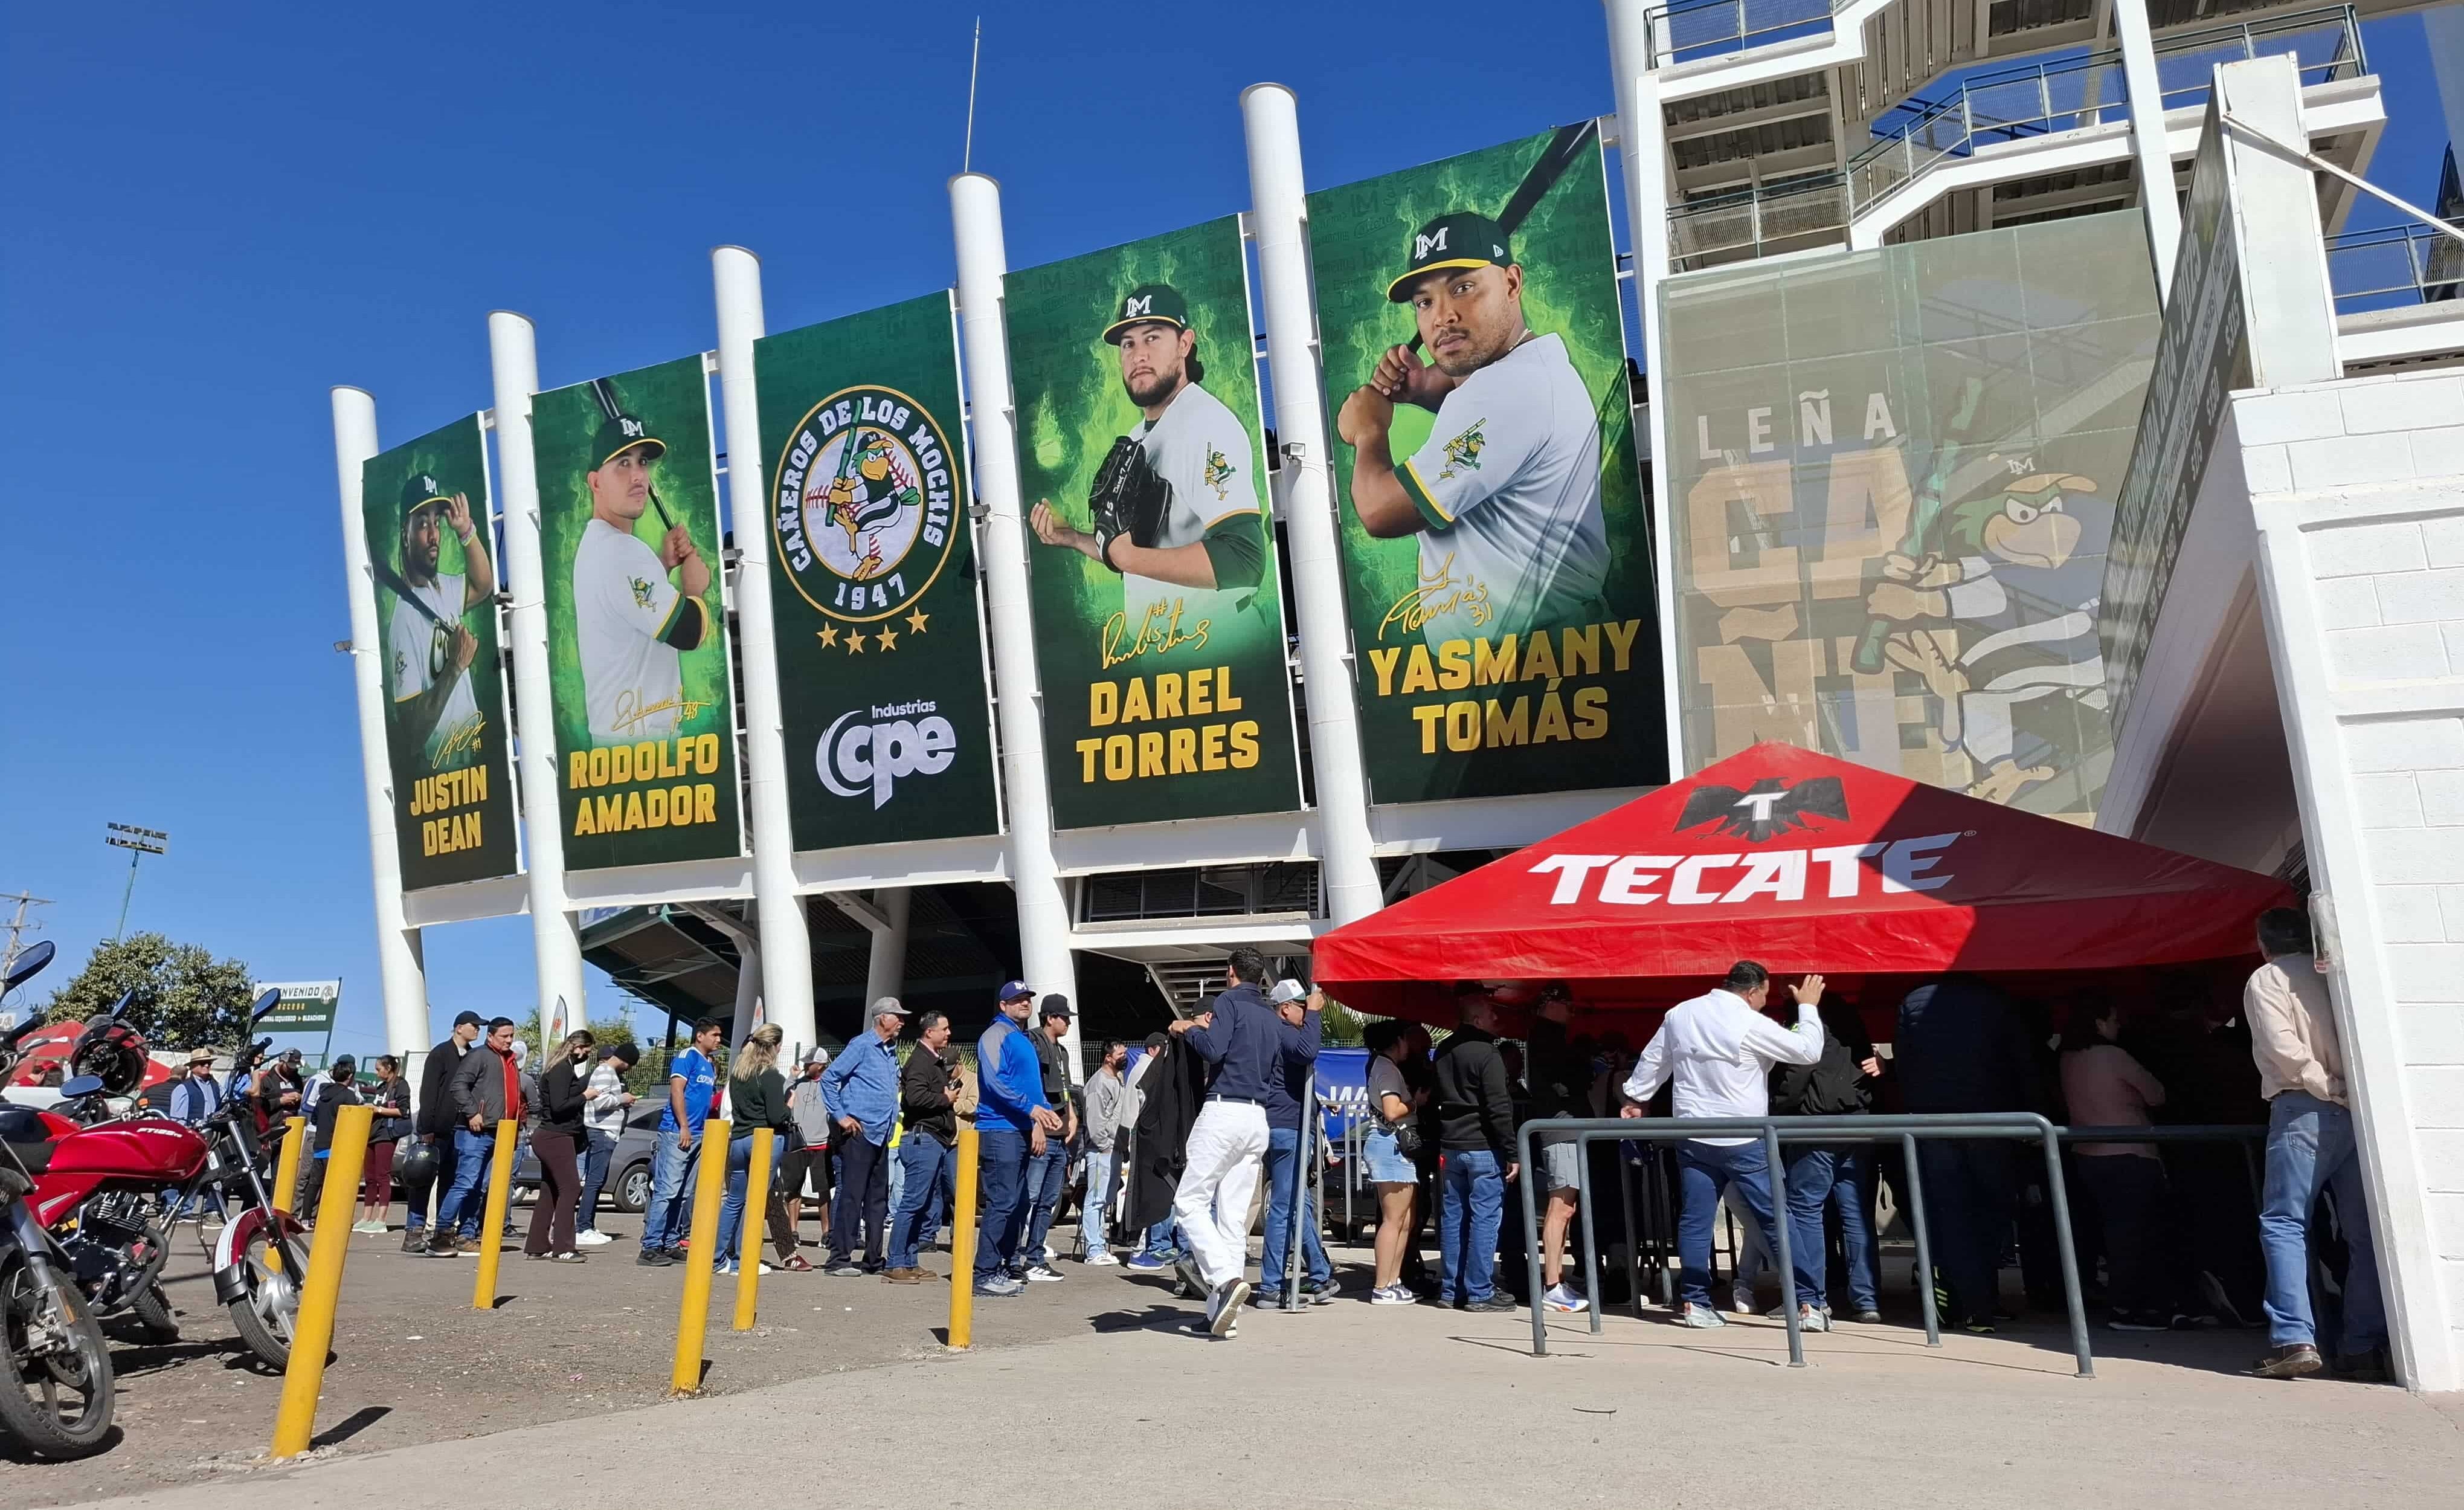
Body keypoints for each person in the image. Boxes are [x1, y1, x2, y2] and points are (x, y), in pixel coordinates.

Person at [1333, 213, 1609, 647]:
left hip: (1532, 675)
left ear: (1512, 284)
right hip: (1535, 665)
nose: (1442, 317)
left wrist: (1368, 430)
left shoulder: (1510, 389)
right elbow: (1486, 412)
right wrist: (1424, 386)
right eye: (1424, 302)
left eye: (1463, 288)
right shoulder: (1531, 368)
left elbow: (1380, 511)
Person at [1027, 282, 1270, 639]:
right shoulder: (1140, 432)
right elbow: (1148, 549)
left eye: (1152, 338)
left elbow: (1244, 560)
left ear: (1185, 344)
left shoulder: (1205, 423)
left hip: (1222, 646)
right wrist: (1078, 539)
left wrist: (1127, 558)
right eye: (1129, 344)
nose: (1138, 354)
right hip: (1166, 653)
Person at [1622, 962, 1829, 1330]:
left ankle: (1695, 1303)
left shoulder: (1681, 1013)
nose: (1764, 1003)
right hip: (1745, 1136)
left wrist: (1637, 1097)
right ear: (1752, 992)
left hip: (1694, 1134)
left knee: (1696, 1221)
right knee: (1777, 1219)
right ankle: (1808, 1303)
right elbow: (1808, 1050)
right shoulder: (1750, 1021)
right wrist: (1808, 1007)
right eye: (1764, 995)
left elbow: (1655, 1060)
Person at [2244, 907, 2386, 1379]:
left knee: (2284, 1223)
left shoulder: (2266, 979)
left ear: (2263, 945)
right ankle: (2362, 1342)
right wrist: (2348, 1091)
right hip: (2355, 1112)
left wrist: (2323, 1084)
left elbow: (2281, 1046)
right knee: (2362, 1233)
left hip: (2302, 1106)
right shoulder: (2334, 973)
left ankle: (2294, 1338)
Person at [1174, 948, 1319, 1338]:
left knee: (1189, 1202)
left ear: (1230, 973)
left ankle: (1223, 1280)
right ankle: (1223, 1317)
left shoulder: (1228, 1001)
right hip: (1258, 1118)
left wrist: (1192, 1030)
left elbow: (1214, 1049)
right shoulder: (1273, 1018)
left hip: (1224, 1110)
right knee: (1233, 1219)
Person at [1893, 973, 2044, 1332]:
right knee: (1991, 1212)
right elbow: (2020, 1062)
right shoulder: (1995, 999)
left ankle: (1968, 1304)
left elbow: (1905, 1064)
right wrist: (2034, 1115)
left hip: (1934, 1125)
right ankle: (1984, 1301)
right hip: (1990, 1122)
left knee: (1951, 1216)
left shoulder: (1913, 999)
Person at [572, 399, 710, 744]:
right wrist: (695, 589)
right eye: (622, 463)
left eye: (642, 463)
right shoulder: (622, 551)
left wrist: (661, 568)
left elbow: (629, 611)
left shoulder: (597, 544)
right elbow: (687, 631)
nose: (638, 477)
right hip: (640, 748)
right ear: (595, 483)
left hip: (620, 746)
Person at [2057, 1002, 2175, 1331]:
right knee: (2136, 1236)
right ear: (2098, 1021)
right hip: (2130, 1154)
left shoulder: (2068, 1059)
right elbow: (2157, 1095)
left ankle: (2122, 1304)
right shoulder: (2115, 1056)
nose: (2119, 1025)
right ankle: (2130, 1309)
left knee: (2113, 1232)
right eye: (2114, 1018)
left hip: (2087, 1155)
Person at [1766, 999, 1884, 1325]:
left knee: (1806, 1210)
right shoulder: (1852, 1019)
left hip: (1814, 1126)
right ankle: (1867, 1299)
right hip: (1859, 1126)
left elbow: (1797, 1074)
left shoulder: (1804, 1020)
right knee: (1857, 1214)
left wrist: (1776, 1105)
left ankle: (1812, 1299)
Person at [388, 474, 496, 766]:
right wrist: (455, 666)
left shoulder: (443, 588)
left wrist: (466, 533)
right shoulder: (404, 619)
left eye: (437, 523)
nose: (434, 534)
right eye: (423, 524)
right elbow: (412, 732)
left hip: (471, 756)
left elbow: (484, 586)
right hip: (443, 771)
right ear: (405, 534)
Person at [1430, 986, 1518, 1313]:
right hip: (1483, 1146)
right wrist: (1512, 1151)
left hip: (1451, 1145)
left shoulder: (1443, 1050)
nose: (1497, 1018)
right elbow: (1498, 1106)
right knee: (1484, 1218)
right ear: (1478, 1018)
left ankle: (1452, 1289)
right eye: (1493, 1013)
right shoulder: (1487, 1053)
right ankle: (1480, 1291)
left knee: (1454, 1218)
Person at [973, 981, 1061, 1297]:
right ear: (1003, 1005)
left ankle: (1001, 1265)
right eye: (1016, 1000)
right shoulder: (995, 1035)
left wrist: (1041, 1115)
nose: (1024, 1003)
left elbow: (1031, 1087)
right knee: (1003, 1202)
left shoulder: (1022, 1038)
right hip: (1000, 1130)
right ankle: (983, 1273)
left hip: (1020, 1129)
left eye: (1027, 999)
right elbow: (995, 1081)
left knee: (1019, 1202)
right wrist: (1032, 1109)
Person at [1255, 981, 1335, 1311]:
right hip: (1288, 1128)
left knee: (1296, 1203)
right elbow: (1307, 1052)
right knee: (1285, 1207)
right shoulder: (1284, 1031)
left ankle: (1319, 1274)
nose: (1307, 1009)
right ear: (1286, 1008)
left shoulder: (1271, 1032)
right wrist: (1314, 1014)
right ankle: (1271, 1286)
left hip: (1280, 1125)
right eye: (1301, 1005)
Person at [822, 997, 908, 1276]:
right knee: (852, 1195)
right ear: (882, 1018)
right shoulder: (861, 1045)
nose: (902, 1022)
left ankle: (873, 1259)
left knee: (877, 1199)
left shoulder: (890, 1051)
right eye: (897, 1016)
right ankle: (839, 1259)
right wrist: (841, 1116)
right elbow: (829, 1078)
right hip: (859, 1132)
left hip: (882, 1133)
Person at [1523, 984, 1591, 1314]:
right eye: (1568, 1004)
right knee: (1561, 1206)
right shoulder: (1547, 1038)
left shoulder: (1546, 1037)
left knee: (1565, 1206)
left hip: (1563, 1128)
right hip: (1560, 1128)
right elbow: (1559, 1086)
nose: (1573, 1010)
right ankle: (1552, 1284)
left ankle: (1555, 1280)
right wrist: (1586, 1071)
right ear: (1549, 1004)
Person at [432, 1018, 523, 1256]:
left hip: (501, 1133)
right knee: (465, 1183)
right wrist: (473, 1112)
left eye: (511, 1035)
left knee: (479, 1188)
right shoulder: (480, 1056)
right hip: (475, 1133)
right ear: (491, 1036)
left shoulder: (510, 1061)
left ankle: (467, 1235)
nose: (509, 1040)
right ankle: (441, 1234)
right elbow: (458, 1086)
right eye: (504, 1036)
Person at [640, 1017, 722, 1267]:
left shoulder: (710, 1065)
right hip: (678, 1133)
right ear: (700, 1036)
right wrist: (684, 1126)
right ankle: (651, 1245)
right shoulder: (688, 1057)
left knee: (684, 1192)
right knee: (668, 1189)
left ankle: (671, 1241)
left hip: (700, 1133)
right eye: (715, 1035)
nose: (719, 1040)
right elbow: (677, 1091)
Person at [886, 1010, 961, 1283]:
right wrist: (945, 1098)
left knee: (924, 1202)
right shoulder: (920, 1061)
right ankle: (895, 1262)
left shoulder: (933, 1061)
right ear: (929, 1032)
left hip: (934, 1139)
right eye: (945, 1028)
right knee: (912, 1202)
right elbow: (915, 1098)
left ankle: (909, 1260)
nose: (949, 1033)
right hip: (922, 1139)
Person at [716, 1024, 790, 1276]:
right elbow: (776, 1115)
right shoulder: (771, 1076)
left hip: (738, 1140)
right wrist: (789, 1104)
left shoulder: (739, 1073)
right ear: (776, 1046)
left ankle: (718, 1258)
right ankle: (743, 1259)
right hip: (764, 1140)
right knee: (755, 1202)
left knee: (734, 1201)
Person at [409, 1011, 484, 1253]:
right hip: (437, 1130)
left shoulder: (473, 1056)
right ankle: (414, 1231)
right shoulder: (440, 1054)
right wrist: (426, 1128)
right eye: (474, 1026)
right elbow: (428, 1092)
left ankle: (442, 1232)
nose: (477, 1030)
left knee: (449, 1183)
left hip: (460, 1130)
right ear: (459, 1027)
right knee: (423, 1179)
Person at [1362, 1021, 1426, 1305]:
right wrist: (1416, 1103)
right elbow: (1392, 1109)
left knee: (1405, 1220)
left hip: (1392, 1146)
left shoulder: (1383, 1065)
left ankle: (1393, 1280)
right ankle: (1382, 1284)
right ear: (1397, 1041)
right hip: (1389, 1144)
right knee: (1393, 1220)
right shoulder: (1386, 1068)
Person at [1124, 1031, 1198, 1270]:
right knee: (1170, 1195)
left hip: (1160, 1142)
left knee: (1166, 1195)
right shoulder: (1154, 1069)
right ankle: (1164, 1247)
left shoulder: (1157, 1069)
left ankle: (1162, 1247)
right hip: (1163, 1142)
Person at [1019, 996, 1079, 1282]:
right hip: (1042, 1134)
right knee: (1028, 1197)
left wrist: (1072, 1114)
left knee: (1048, 1201)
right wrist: (1036, 1125)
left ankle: (1035, 1256)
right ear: (1050, 1018)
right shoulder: (1034, 1043)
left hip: (1060, 1136)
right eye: (1064, 1017)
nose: (1068, 1022)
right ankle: (1012, 1255)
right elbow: (1032, 1087)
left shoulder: (1063, 1052)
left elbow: (1064, 1087)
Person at [524, 1029, 594, 1263]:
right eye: (586, 1050)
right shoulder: (562, 1069)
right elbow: (559, 1106)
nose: (586, 1054)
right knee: (571, 1188)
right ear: (577, 1046)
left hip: (553, 1135)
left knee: (551, 1190)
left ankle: (537, 1245)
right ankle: (564, 1247)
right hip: (556, 1136)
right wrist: (586, 1096)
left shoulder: (560, 1068)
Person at [576, 1044, 637, 1247]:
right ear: (624, 1060)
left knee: (597, 1180)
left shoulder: (608, 1073)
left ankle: (588, 1225)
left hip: (605, 1132)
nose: (628, 1069)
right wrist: (623, 1099)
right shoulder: (605, 1072)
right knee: (595, 1180)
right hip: (602, 1132)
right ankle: (583, 1227)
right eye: (629, 1065)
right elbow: (598, 1101)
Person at [1079, 1039, 1129, 1265]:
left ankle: (1099, 1244)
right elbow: (1095, 1119)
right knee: (1096, 1198)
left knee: (1106, 1199)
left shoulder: (1118, 1080)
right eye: (1120, 1054)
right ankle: (1094, 1250)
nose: (1124, 1057)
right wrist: (1104, 1144)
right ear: (1108, 1057)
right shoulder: (1099, 1084)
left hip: (1115, 1148)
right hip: (1101, 1151)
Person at [355, 1054, 412, 1234]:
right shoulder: (380, 1088)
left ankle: (381, 1219)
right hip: (373, 1133)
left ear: (389, 1068)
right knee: (370, 1177)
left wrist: (379, 1110)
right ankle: (366, 1217)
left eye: (379, 1068)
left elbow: (403, 1111)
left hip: (387, 1134)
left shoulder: (400, 1085)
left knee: (382, 1175)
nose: (377, 1072)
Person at [303, 1057, 362, 1225]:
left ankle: (306, 1217)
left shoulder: (323, 1096)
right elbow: (353, 1120)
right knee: (335, 1185)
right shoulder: (348, 1095)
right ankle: (330, 1217)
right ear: (350, 1076)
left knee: (314, 1182)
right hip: (337, 1146)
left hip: (319, 1144)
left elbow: (314, 1118)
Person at [786, 1048, 833, 1247]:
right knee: (793, 1189)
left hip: (822, 1144)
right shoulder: (798, 1083)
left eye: (810, 1063)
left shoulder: (830, 1085)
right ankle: (793, 1232)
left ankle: (826, 1233)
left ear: (820, 1066)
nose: (805, 1066)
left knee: (823, 1190)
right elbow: (783, 1097)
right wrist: (791, 1078)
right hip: (798, 1144)